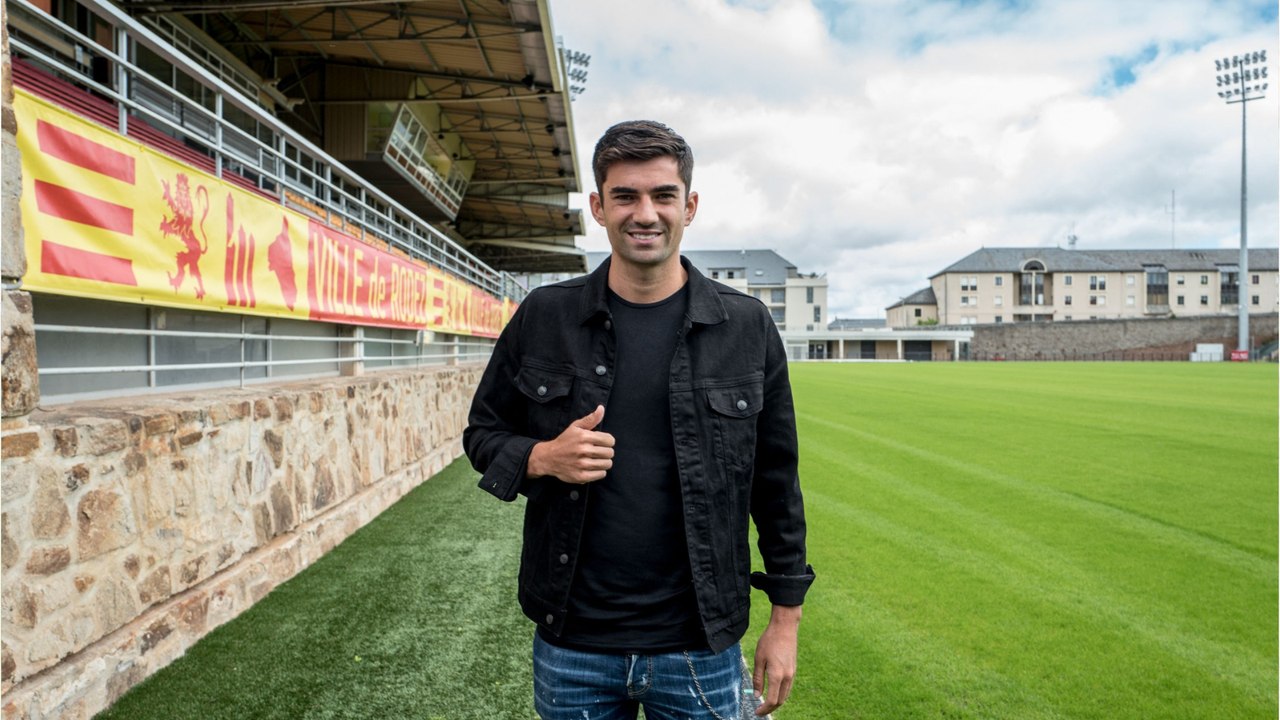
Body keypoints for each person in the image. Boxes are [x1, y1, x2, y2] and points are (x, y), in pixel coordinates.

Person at [463, 120, 814, 719]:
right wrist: (541, 458)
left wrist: (785, 623)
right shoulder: (545, 316)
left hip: (700, 645)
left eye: (662, 195)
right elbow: (482, 433)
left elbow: (776, 484)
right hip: (573, 646)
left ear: (689, 206)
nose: (644, 213)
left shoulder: (746, 326)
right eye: (625, 196)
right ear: (599, 207)